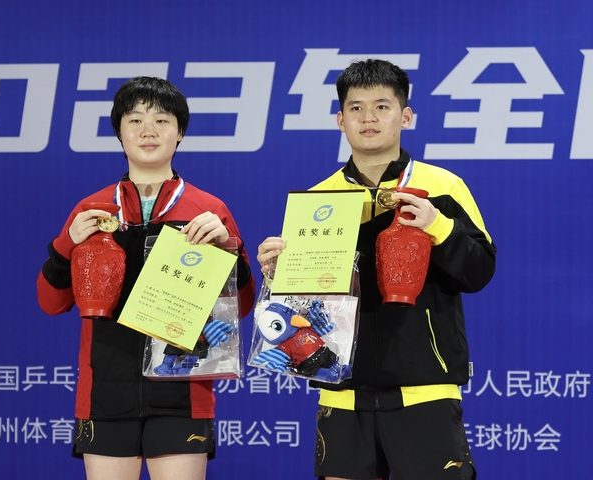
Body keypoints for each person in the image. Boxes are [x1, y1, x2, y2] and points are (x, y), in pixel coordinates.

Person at [257, 59, 496, 480]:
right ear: (340, 120)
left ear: (406, 116)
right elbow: (305, 308)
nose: (368, 117)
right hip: (341, 392)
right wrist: (277, 274)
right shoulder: (319, 199)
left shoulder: (442, 187)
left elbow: (479, 271)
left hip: (425, 387)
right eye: (356, 108)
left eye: (382, 106)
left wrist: (437, 225)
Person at [37, 76, 256, 480]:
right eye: (135, 120)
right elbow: (51, 302)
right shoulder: (92, 210)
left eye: (162, 120)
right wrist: (66, 244)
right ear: (119, 132)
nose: (148, 130)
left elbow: (241, 307)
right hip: (104, 394)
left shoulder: (208, 211)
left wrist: (230, 248)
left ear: (180, 132)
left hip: (183, 392)